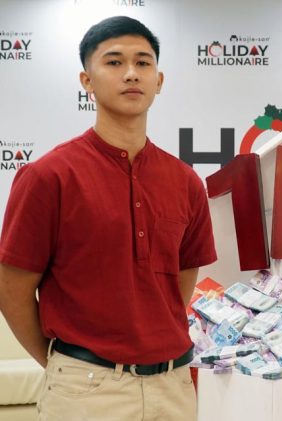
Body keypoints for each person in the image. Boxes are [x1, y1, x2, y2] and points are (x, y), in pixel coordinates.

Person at [0, 16, 217, 420]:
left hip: (173, 387)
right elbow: (12, 288)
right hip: (85, 389)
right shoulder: (48, 176)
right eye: (114, 62)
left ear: (159, 80)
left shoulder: (185, 181)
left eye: (143, 62)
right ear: (87, 80)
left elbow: (183, 276)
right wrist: (64, 363)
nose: (131, 73)